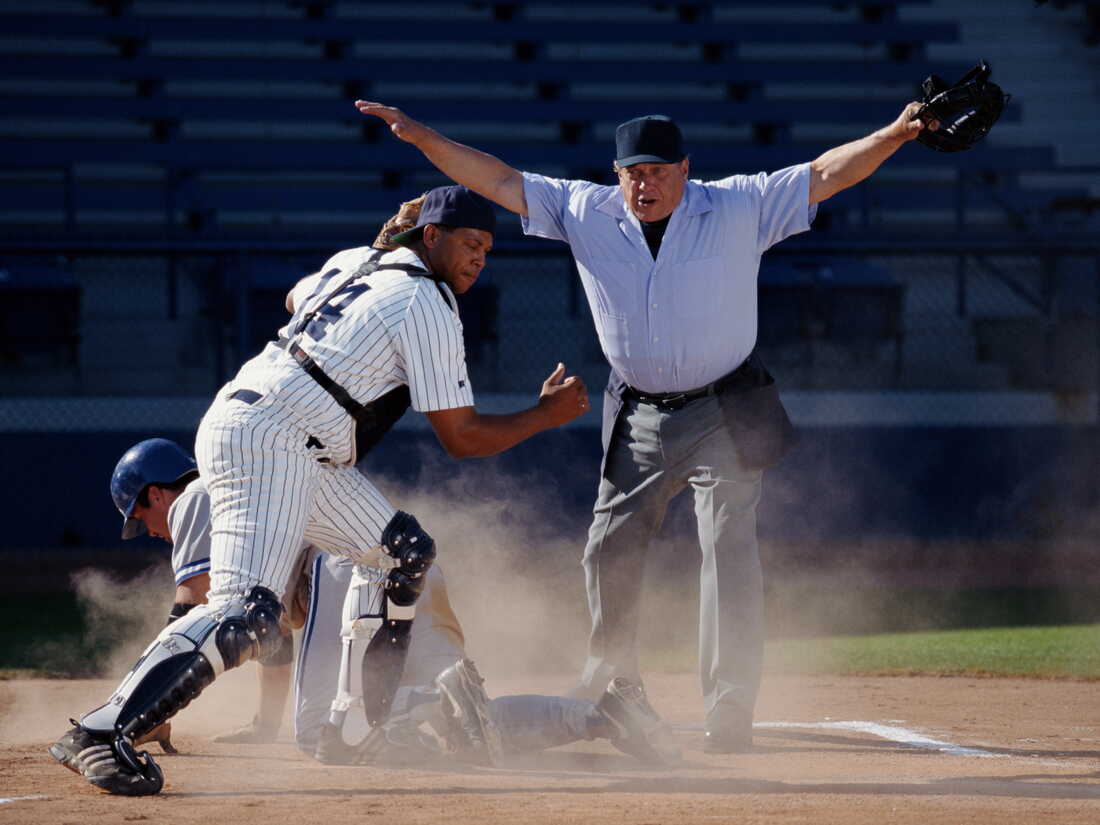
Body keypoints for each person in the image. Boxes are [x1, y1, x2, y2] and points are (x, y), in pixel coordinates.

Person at [355, 98, 939, 753]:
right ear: (616, 172)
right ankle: (614, 687)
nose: (646, 183)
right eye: (634, 172)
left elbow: (827, 174)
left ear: (686, 170)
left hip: (726, 404)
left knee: (728, 546)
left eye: (660, 170)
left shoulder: (738, 205)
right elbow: (497, 181)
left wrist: (897, 131)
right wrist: (420, 135)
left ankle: (730, 704)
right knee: (608, 547)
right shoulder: (585, 210)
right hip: (636, 409)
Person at [49, 184, 590, 796]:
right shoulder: (425, 301)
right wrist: (544, 416)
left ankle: (354, 726)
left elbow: (297, 293)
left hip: (296, 442)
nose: (479, 259)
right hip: (273, 439)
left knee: (401, 551)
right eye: (470, 243)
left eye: (488, 249)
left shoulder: (356, 260)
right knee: (246, 615)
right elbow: (461, 437)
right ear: (430, 237)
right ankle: (100, 731)